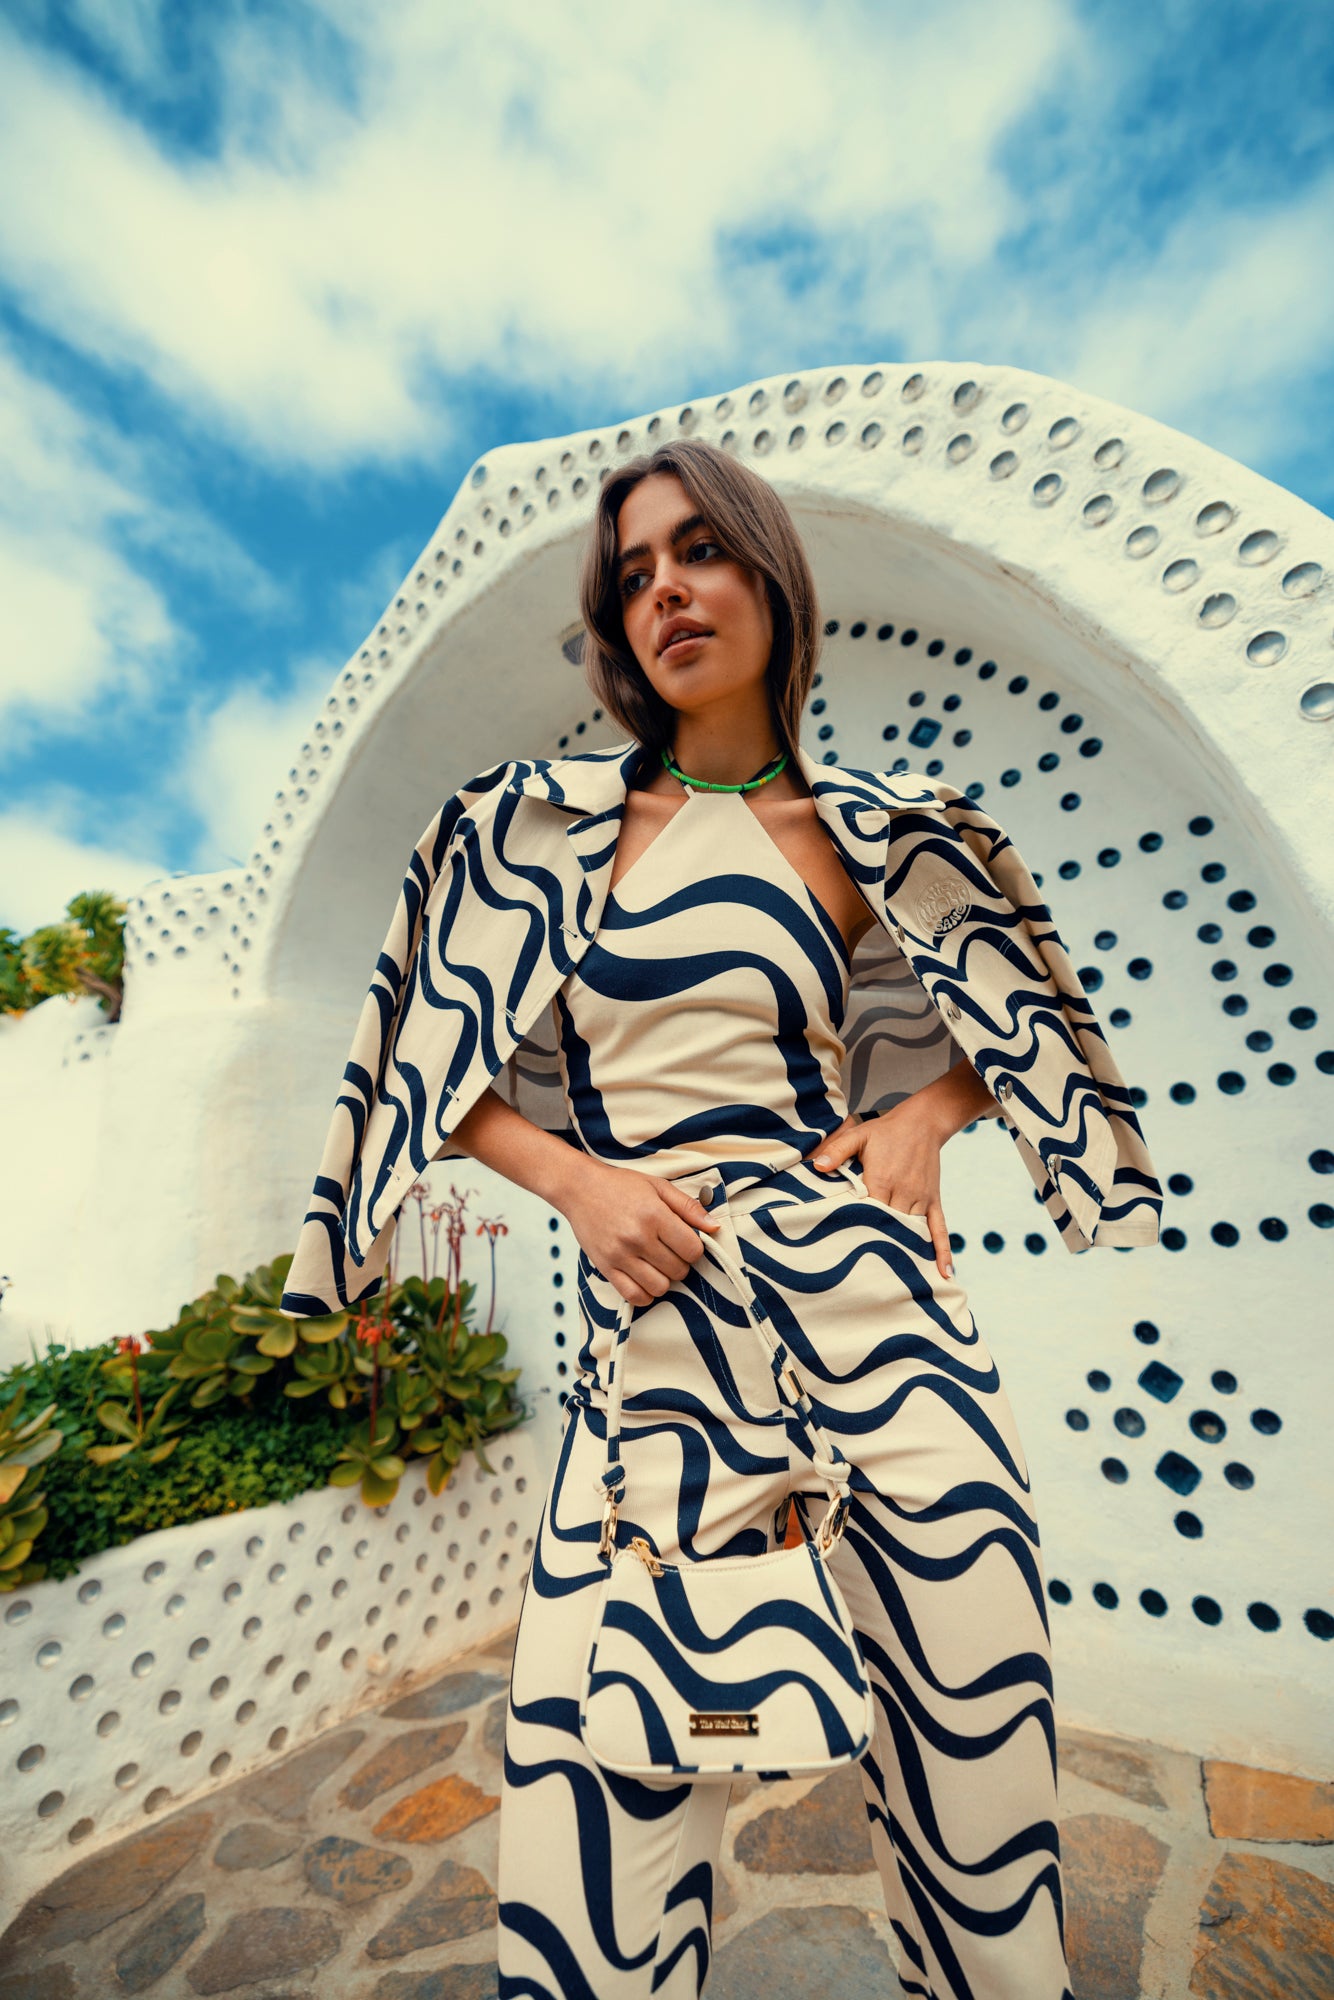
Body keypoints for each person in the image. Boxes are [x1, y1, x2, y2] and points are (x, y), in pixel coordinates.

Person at [282, 437, 1162, 1997]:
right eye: (632, 575)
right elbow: (420, 1063)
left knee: (979, 1790)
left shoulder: (883, 831)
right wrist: (574, 1182)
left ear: (769, 574)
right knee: (588, 1833)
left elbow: (1029, 1028)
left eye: (699, 550)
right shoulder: (531, 828)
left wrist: (925, 1117)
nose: (666, 592)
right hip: (658, 1349)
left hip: (888, 1338)